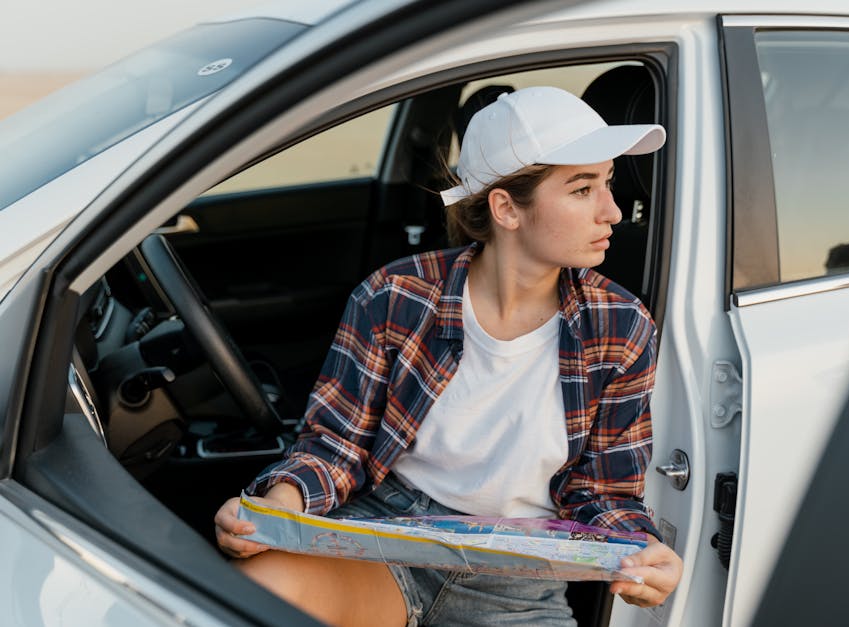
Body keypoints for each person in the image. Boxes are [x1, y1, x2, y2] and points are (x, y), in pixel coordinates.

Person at [214, 85, 683, 626]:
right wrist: (276, 510)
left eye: (608, 183)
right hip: (386, 540)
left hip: (517, 577)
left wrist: (639, 552)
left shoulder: (620, 325)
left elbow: (604, 490)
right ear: (506, 208)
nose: (614, 212)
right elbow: (335, 445)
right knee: (254, 596)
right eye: (582, 189)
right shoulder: (397, 296)